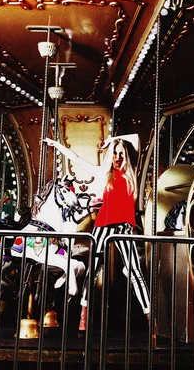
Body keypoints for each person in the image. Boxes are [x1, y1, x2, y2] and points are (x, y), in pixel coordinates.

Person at [43, 135, 151, 331]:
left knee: (136, 272)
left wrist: (113, 140)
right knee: (92, 271)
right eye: (114, 154)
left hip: (124, 227)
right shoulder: (103, 173)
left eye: (120, 154)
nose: (117, 157)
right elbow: (76, 159)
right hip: (103, 226)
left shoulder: (130, 172)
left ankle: (151, 318)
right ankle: (83, 318)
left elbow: (136, 138)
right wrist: (57, 145)